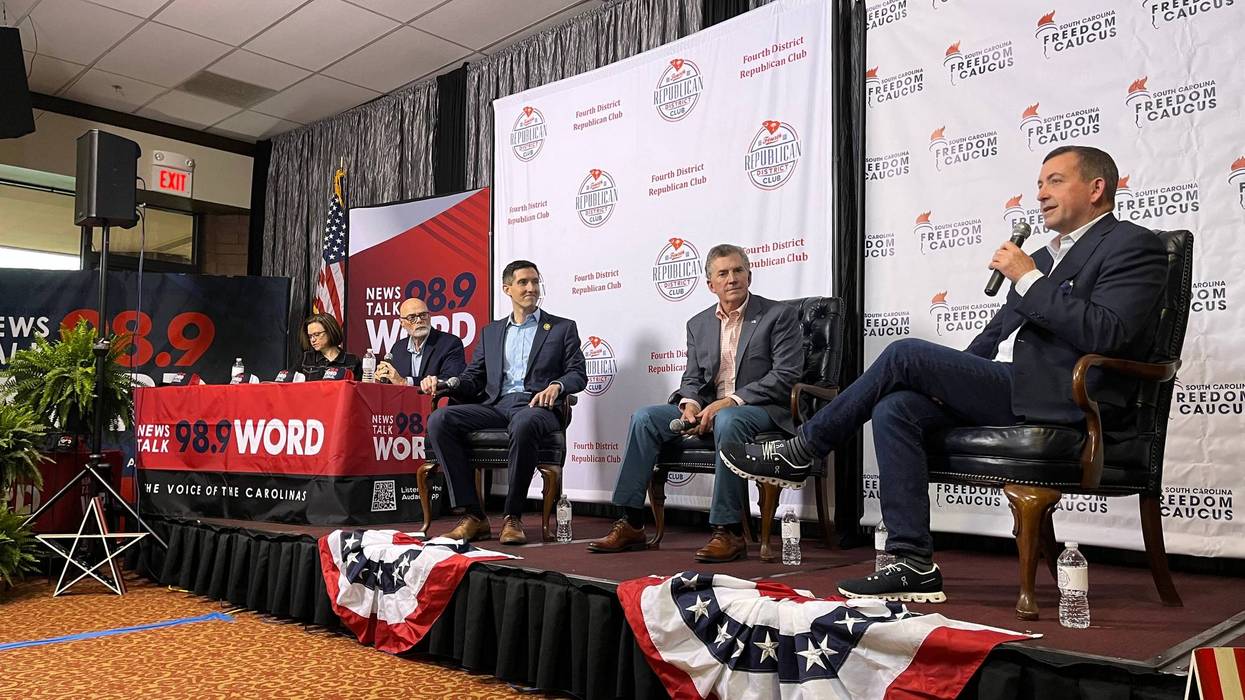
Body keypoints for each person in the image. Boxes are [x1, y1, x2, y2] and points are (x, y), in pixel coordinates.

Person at [721, 146, 1169, 602]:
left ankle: (802, 450)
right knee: (898, 406)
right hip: (1024, 392)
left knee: (905, 354)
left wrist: (1029, 280)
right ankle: (911, 561)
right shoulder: (1044, 257)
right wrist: (950, 385)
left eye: (1054, 181)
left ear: (1096, 188)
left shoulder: (1132, 245)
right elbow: (991, 339)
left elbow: (1109, 333)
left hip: (1075, 399)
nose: (1040, 195)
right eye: (1038, 184)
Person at [585, 244, 803, 562]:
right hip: (712, 408)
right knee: (645, 417)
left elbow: (785, 375)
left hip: (764, 410)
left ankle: (727, 531)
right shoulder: (698, 324)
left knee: (729, 419)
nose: (732, 279)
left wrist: (730, 401)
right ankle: (630, 521)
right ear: (710, 284)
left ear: (750, 275)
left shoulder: (777, 315)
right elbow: (694, 379)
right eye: (723, 273)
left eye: (738, 271)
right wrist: (689, 402)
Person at [423, 260, 587, 546]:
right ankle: (473, 515)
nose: (531, 288)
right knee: (439, 420)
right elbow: (473, 378)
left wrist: (557, 385)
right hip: (497, 405)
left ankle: (512, 517)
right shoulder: (492, 332)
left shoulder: (561, 328)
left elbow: (577, 373)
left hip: (538, 408)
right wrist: (447, 384)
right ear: (507, 288)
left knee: (524, 421)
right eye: (523, 282)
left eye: (535, 282)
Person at [374, 297, 466, 385]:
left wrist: (406, 382)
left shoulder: (450, 344)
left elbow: (450, 380)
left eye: (423, 315)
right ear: (402, 323)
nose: (419, 320)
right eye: (412, 318)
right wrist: (383, 378)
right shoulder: (398, 348)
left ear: (429, 317)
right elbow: (394, 382)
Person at [296, 313, 361, 381]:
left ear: (330, 331)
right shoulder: (306, 358)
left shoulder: (352, 361)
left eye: (317, 334)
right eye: (310, 336)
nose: (313, 340)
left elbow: (360, 389)